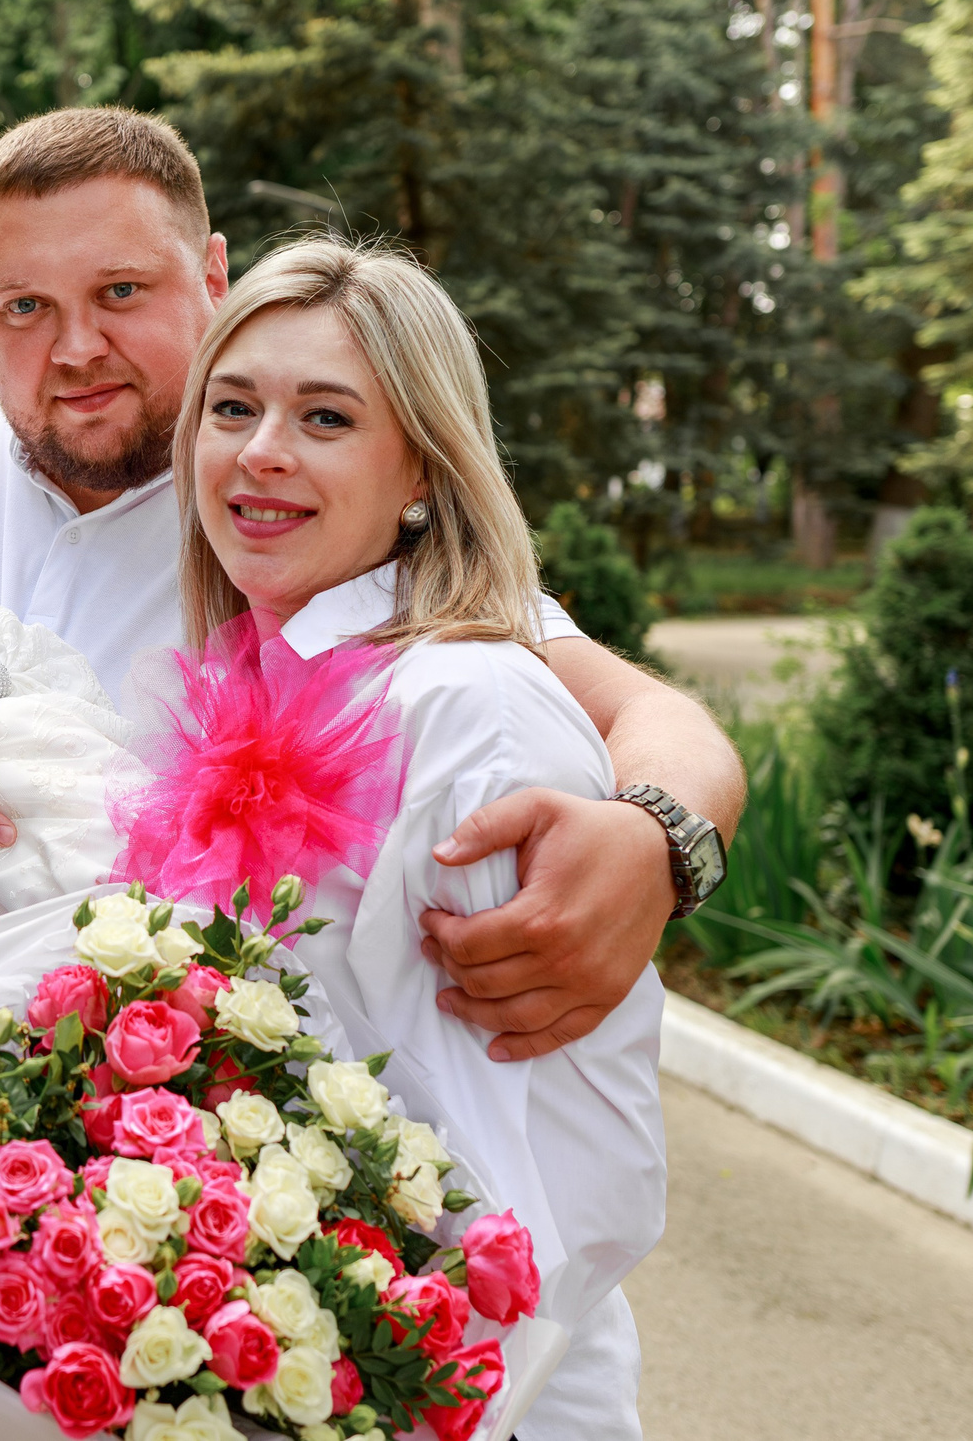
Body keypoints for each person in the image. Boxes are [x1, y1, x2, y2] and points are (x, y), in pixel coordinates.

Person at [0, 108, 742, 1063]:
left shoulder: (304, 526)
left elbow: (650, 714)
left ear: (213, 276)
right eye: (24, 307)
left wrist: (655, 842)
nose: (77, 346)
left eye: (120, 290)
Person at [141, 236, 669, 1439]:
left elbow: (528, 1177)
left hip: (454, 1396)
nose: (261, 450)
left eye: (324, 417)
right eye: (233, 407)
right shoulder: (256, 684)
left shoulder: (466, 712)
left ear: (423, 473)